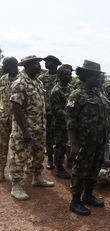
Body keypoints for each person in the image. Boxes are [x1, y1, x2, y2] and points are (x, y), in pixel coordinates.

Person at [66, 60, 110, 215]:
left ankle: (88, 195)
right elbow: (71, 122)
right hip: (85, 142)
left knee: (95, 167)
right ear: (88, 76)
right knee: (80, 170)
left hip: (99, 140)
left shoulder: (99, 92)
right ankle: (75, 201)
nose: (100, 78)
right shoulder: (76, 95)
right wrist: (73, 144)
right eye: (97, 75)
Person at [9, 55, 54, 200]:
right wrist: (25, 132)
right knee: (19, 155)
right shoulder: (19, 83)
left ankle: (37, 177)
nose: (40, 66)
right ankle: (16, 185)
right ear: (28, 66)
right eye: (36, 64)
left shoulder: (38, 82)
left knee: (38, 153)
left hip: (39, 128)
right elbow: (17, 109)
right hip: (24, 130)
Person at [50, 65, 74, 179]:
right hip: (60, 123)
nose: (70, 76)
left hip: (70, 122)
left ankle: (70, 162)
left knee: (70, 143)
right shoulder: (56, 91)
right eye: (67, 74)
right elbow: (56, 109)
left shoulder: (71, 89)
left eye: (70, 74)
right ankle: (59, 167)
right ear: (60, 76)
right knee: (60, 145)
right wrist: (68, 114)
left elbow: (72, 104)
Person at [39, 55, 62, 170]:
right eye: (45, 61)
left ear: (56, 63)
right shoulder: (42, 78)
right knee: (48, 136)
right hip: (47, 112)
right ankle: (50, 160)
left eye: (48, 61)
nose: (46, 63)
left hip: (60, 114)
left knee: (60, 138)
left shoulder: (62, 76)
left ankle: (60, 161)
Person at [0, 57, 18, 181]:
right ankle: (1, 170)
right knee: (2, 145)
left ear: (12, 65)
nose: (2, 66)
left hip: (19, 120)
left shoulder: (23, 80)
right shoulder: (3, 79)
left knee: (19, 146)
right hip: (4, 118)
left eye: (4, 64)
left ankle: (18, 171)